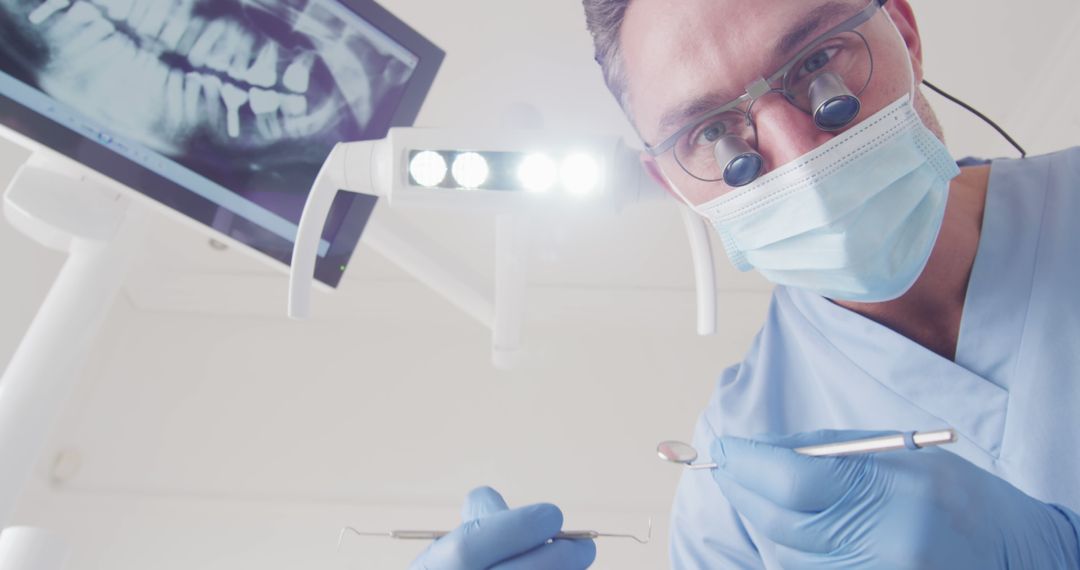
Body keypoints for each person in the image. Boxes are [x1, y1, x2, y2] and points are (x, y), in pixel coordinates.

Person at [410, 0, 1080, 568]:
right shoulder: (729, 498)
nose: (800, 156)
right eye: (712, 133)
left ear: (903, 30)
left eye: (818, 61)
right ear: (673, 186)